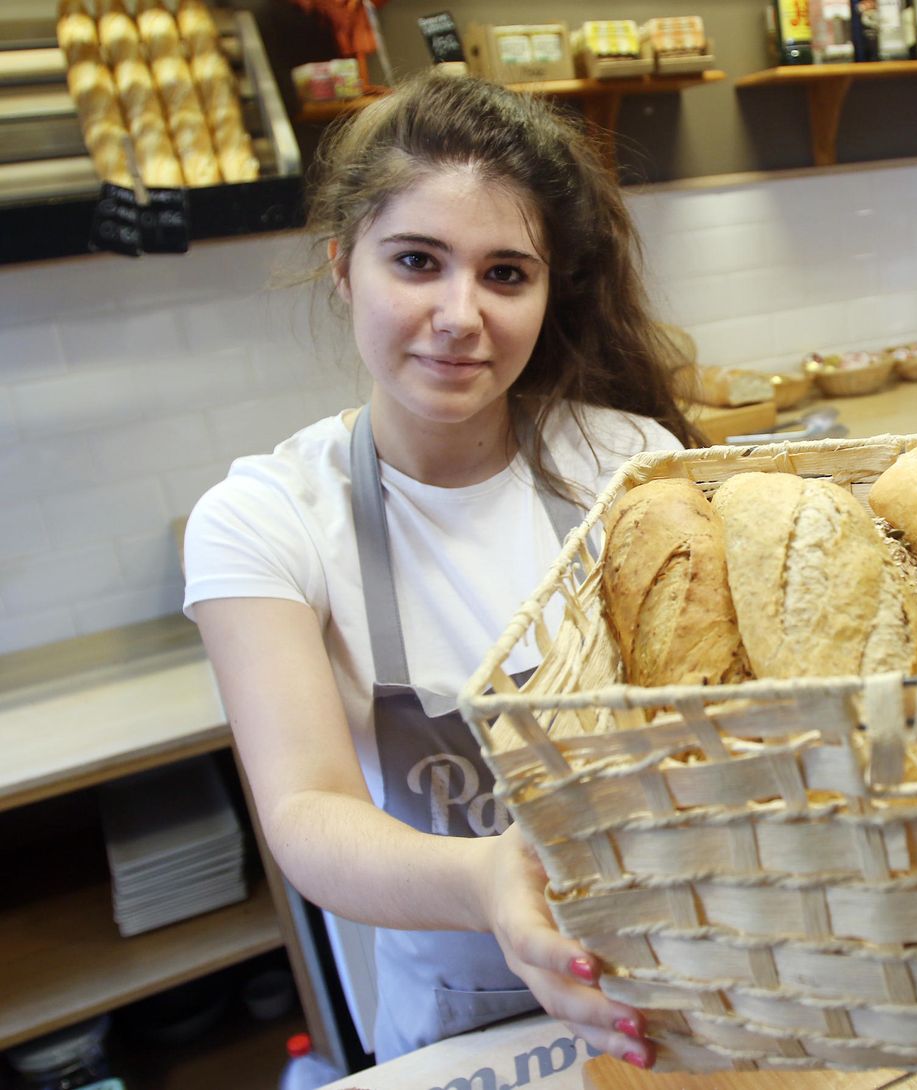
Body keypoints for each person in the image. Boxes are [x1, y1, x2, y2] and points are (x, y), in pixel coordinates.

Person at [183, 75, 697, 1067]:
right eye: (418, 261)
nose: (461, 314)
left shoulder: (627, 464)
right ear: (343, 266)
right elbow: (307, 813)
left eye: (506, 274)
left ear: (549, 293)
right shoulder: (265, 519)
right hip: (459, 1018)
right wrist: (490, 884)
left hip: (662, 975)